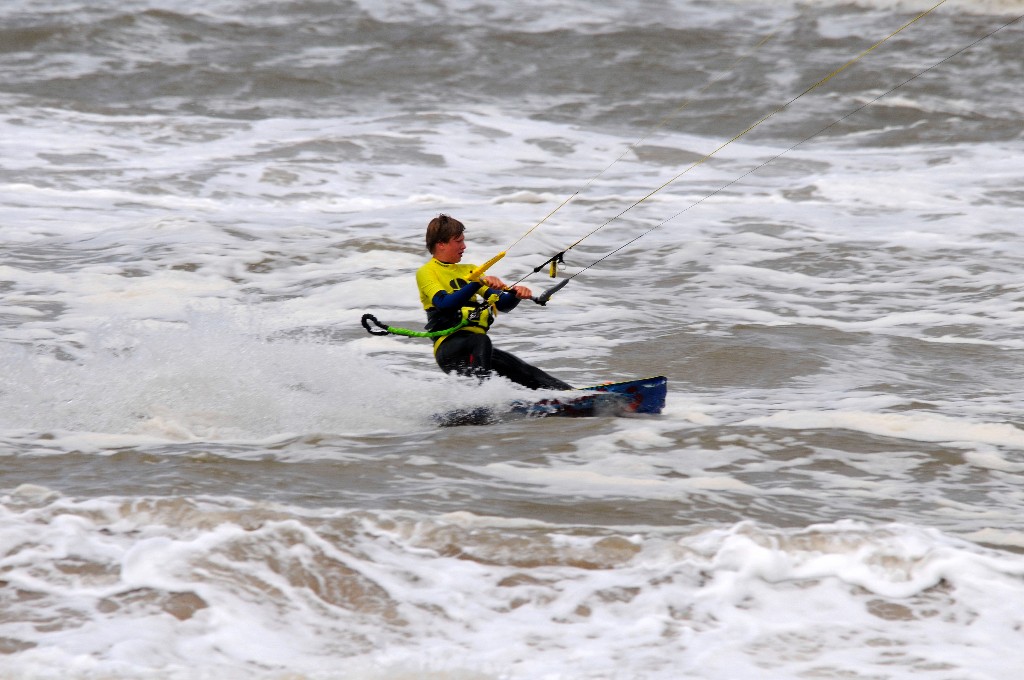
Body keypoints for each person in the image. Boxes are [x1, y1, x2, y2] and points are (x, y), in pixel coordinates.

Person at [415, 214, 573, 390]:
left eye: (463, 241)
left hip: (476, 349)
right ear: (441, 244)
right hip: (450, 349)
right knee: (480, 341)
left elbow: (502, 305)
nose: (464, 246)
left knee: (526, 371)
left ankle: (572, 395)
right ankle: (482, 399)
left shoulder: (470, 270)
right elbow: (444, 303)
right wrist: (477, 283)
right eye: (458, 241)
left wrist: (515, 295)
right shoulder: (427, 272)